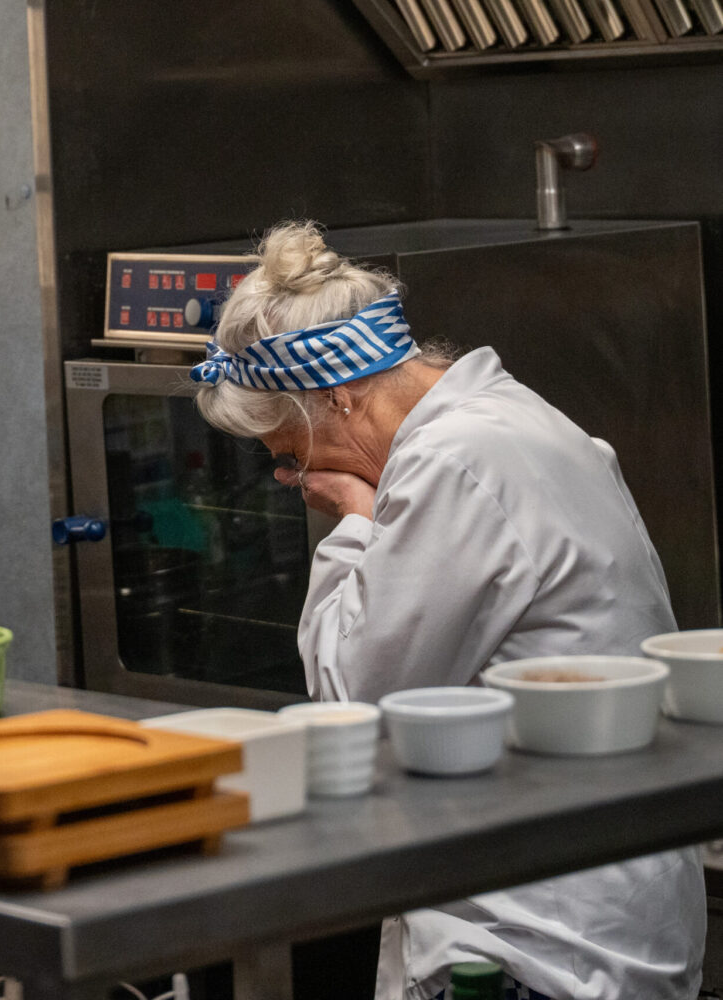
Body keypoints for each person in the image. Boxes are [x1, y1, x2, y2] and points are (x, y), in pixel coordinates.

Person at [190, 221, 703, 1000]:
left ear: (335, 395)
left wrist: (354, 521)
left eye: (292, 455)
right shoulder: (507, 416)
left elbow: (352, 701)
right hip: (587, 895)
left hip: (537, 938)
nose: (298, 479)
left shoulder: (453, 464)